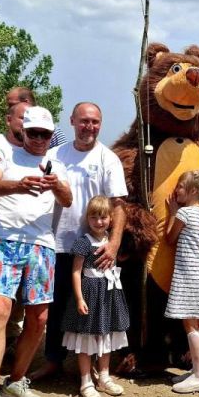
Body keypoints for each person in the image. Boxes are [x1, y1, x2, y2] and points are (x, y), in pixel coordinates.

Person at [0, 106, 71, 397]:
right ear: (23, 132)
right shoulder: (5, 156)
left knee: (39, 317)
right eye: (33, 133)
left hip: (42, 244)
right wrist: (19, 185)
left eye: (45, 134)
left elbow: (68, 199)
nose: (39, 139)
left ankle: (15, 381)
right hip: (5, 240)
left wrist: (56, 184)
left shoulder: (56, 164)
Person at [31, 102, 128, 382]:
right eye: (84, 121)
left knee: (96, 307)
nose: (89, 127)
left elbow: (118, 205)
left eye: (95, 122)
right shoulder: (54, 155)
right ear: (72, 121)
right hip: (57, 242)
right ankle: (53, 360)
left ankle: (96, 365)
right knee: (58, 305)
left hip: (95, 248)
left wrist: (114, 244)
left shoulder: (108, 159)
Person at [61, 196, 130, 397]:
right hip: (90, 293)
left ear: (110, 218)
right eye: (94, 217)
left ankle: (104, 377)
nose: (99, 222)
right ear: (87, 218)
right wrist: (79, 298)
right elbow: (76, 272)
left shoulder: (112, 242)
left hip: (109, 293)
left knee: (105, 334)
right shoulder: (84, 242)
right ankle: (85, 380)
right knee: (86, 337)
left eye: (103, 217)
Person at [164, 170, 199, 394]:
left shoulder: (184, 213)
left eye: (180, 186)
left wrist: (173, 213)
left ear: (193, 191)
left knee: (190, 325)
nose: (176, 190)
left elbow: (169, 238)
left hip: (188, 277)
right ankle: (198, 369)